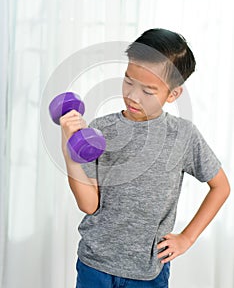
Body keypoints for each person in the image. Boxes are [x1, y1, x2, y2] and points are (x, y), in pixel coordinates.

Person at [60, 28, 230, 288]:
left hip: (148, 272)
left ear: (173, 94)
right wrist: (69, 149)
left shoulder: (182, 135)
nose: (132, 95)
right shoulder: (100, 130)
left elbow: (221, 187)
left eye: (148, 91)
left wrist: (187, 238)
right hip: (94, 264)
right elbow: (89, 205)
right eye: (128, 81)